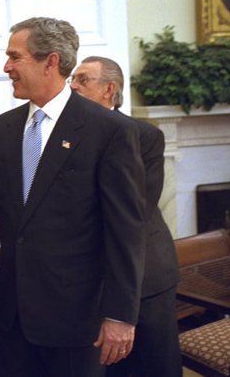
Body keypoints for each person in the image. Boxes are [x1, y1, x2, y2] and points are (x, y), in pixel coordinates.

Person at [0, 17, 147, 377]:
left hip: (76, 318)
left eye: (14, 57)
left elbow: (126, 230)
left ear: (50, 61)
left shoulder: (109, 131)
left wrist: (120, 314)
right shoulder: (1, 129)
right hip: (11, 313)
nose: (6, 67)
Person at [71, 55, 182, 377]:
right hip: (89, 280)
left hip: (145, 275)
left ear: (109, 89)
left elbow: (137, 208)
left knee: (154, 366)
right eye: (72, 80)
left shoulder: (143, 136)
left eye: (82, 80)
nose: (73, 86)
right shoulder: (67, 137)